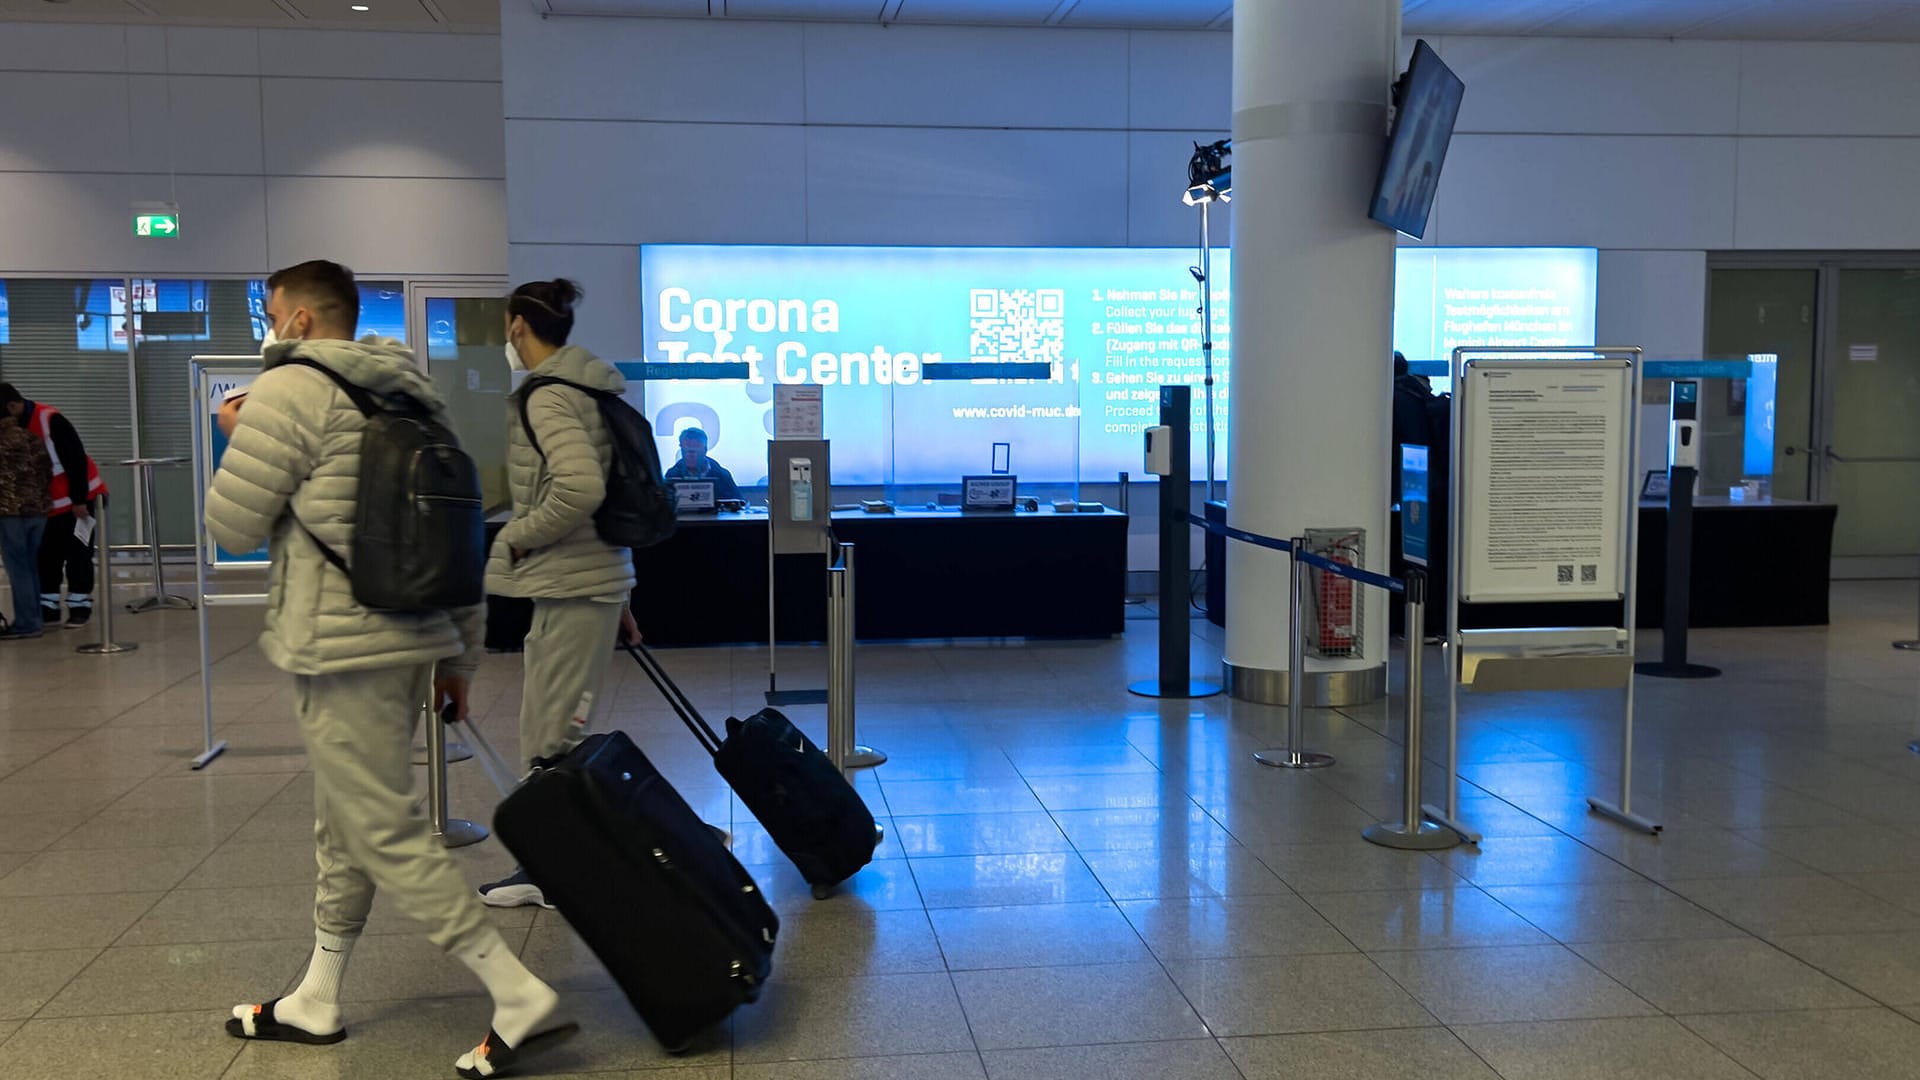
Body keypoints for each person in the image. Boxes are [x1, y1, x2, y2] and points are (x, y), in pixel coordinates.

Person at [207, 260, 573, 1079]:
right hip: (415, 641)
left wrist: (237, 432)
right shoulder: (415, 398)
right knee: (345, 823)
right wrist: (459, 657)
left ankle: (514, 990)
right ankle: (317, 996)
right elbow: (460, 536)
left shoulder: (288, 395)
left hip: (340, 647)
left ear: (299, 320)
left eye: (272, 313)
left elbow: (230, 521)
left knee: (380, 826)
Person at [477, 279, 642, 909]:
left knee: (550, 736)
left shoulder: (547, 399)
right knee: (554, 725)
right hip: (586, 585)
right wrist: (620, 596)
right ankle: (548, 862)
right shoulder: (587, 390)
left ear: (520, 325)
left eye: (505, 326)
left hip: (573, 589)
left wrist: (518, 537)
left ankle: (548, 870)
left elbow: (579, 491)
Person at [10, 386, 106, 628]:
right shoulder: (16, 425)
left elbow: (75, 460)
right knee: (46, 556)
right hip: (48, 504)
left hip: (79, 500)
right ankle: (48, 606)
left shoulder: (50, 419)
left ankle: (79, 605)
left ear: (13, 406)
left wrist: (79, 500)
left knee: (78, 554)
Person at [0, 385, 53, 640]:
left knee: (18, 567)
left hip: (9, 512)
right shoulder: (30, 437)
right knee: (31, 565)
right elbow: (47, 469)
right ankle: (35, 618)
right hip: (38, 510)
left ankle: (27, 622)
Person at [662, 427, 740, 502]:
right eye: (686, 450)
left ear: (705, 450)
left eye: (694, 450)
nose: (690, 455)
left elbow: (739, 504)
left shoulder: (722, 476)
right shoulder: (672, 475)